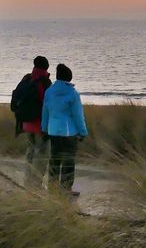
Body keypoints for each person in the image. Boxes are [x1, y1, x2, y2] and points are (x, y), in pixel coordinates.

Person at [41, 63, 88, 195]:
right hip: (69, 133)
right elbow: (78, 116)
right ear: (69, 77)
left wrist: (44, 128)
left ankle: (53, 187)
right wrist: (83, 132)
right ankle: (66, 188)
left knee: (54, 159)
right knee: (68, 161)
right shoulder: (73, 94)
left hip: (53, 131)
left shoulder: (49, 92)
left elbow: (45, 112)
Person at [11, 56, 52, 188]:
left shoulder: (27, 78)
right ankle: (36, 184)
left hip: (26, 123)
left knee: (31, 151)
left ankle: (28, 180)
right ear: (46, 67)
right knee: (42, 154)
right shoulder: (45, 82)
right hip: (40, 124)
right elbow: (47, 105)